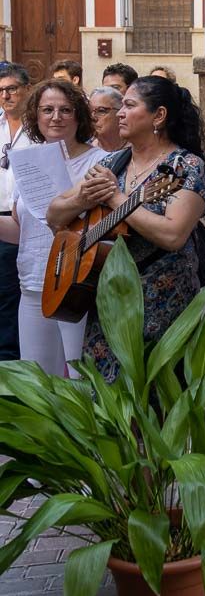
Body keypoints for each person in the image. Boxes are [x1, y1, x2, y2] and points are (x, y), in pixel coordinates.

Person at [49, 76, 205, 383]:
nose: (119, 113)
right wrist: (83, 199)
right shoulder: (113, 163)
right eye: (120, 106)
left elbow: (174, 235)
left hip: (162, 307)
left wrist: (116, 198)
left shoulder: (184, 167)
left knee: (154, 406)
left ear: (158, 116)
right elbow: (54, 214)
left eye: (129, 105)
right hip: (108, 305)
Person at [0, 80, 103, 378]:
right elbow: (22, 229)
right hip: (33, 282)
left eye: (65, 110)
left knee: (79, 382)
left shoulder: (98, 161)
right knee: (39, 382)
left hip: (77, 284)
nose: (55, 117)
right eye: (47, 110)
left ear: (78, 116)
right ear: (36, 115)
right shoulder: (27, 162)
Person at [0, 63, 32, 359]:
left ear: (26, 90)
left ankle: (10, 367)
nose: (6, 96)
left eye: (12, 89)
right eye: (1, 91)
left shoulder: (39, 130)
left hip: (23, 223)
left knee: (11, 301)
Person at [88, 87, 124, 153]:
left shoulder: (135, 150)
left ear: (120, 112)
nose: (92, 117)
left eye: (101, 111)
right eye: (89, 111)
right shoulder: (85, 150)